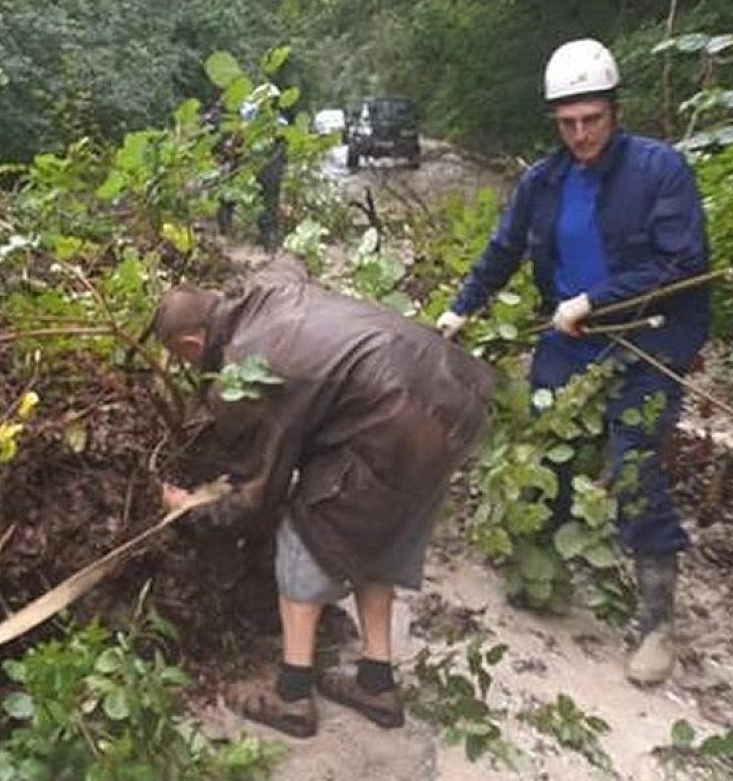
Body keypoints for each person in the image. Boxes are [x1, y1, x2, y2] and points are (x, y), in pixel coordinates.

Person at [436, 38, 710, 686]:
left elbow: (682, 263)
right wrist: (462, 308)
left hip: (648, 336)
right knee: (542, 439)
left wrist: (598, 299)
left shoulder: (660, 170)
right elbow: (502, 250)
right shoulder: (543, 182)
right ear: (555, 122)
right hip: (569, 335)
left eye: (593, 120)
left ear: (615, 111)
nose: (582, 134)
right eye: (568, 123)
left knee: (634, 457)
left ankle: (655, 622)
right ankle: (546, 564)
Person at [155, 254, 494, 738]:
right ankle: (376, 682)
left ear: (191, 343)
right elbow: (289, 261)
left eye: (181, 357)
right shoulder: (267, 291)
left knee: (306, 530)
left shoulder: (246, 369)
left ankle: (292, 696)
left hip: (391, 416)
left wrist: (192, 508)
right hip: (455, 396)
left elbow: (261, 495)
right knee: (380, 528)